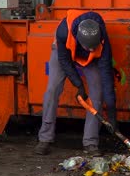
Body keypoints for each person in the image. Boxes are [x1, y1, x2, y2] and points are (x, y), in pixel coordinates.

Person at [34, 10, 116, 156]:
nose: (91, 50)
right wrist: (79, 85)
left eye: (93, 48)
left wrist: (111, 114)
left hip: (90, 60)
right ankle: (44, 139)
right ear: (79, 40)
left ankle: (90, 143)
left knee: (97, 94)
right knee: (52, 91)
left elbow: (106, 76)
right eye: (88, 48)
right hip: (63, 52)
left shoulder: (102, 38)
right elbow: (65, 62)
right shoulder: (63, 32)